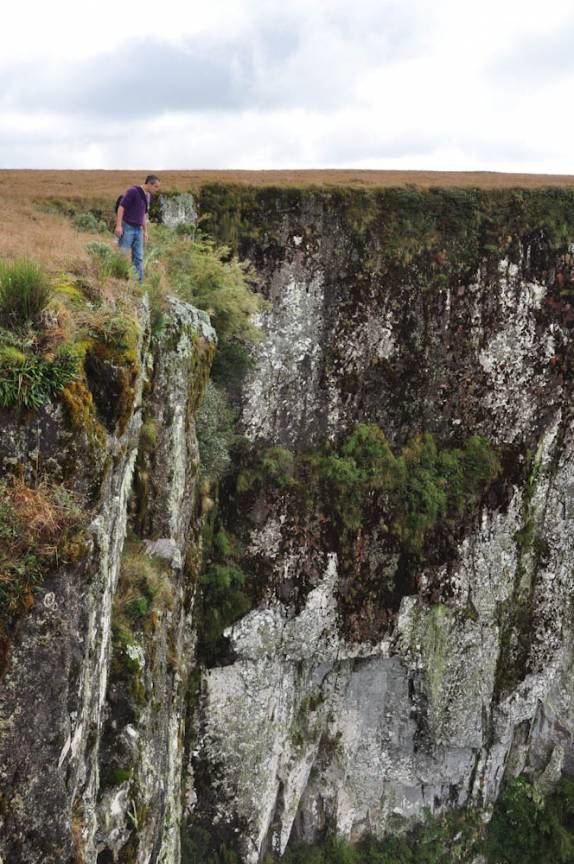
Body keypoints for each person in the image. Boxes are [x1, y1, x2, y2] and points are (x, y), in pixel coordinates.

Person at [115, 175, 161, 282]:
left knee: (139, 258)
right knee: (123, 254)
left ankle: (137, 283)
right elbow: (121, 207)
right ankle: (118, 280)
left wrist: (145, 231)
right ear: (149, 184)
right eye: (156, 186)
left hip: (139, 230)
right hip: (127, 228)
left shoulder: (148, 196)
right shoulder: (133, 191)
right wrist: (118, 225)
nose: (157, 189)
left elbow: (143, 215)